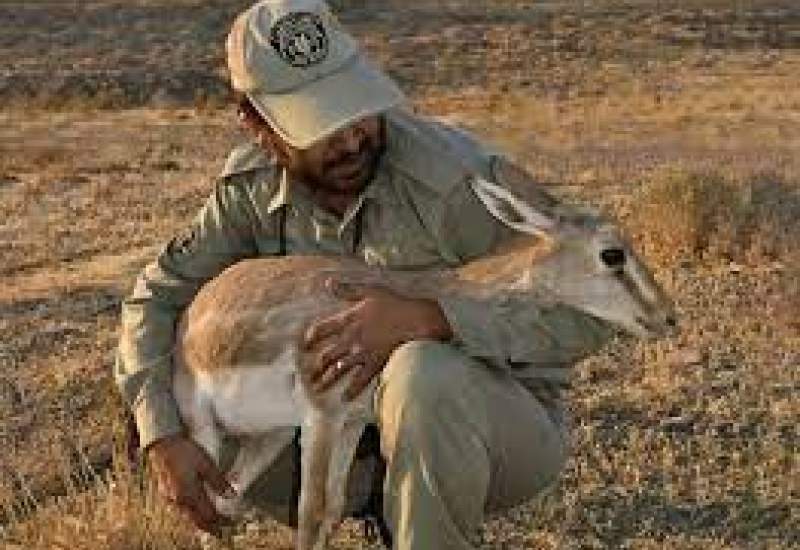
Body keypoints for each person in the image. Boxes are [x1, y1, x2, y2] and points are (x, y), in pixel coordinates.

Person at [114, 1, 614, 548]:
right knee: (185, 377)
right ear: (257, 126)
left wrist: (433, 319)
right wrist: (160, 435)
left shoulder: (454, 177)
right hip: (340, 437)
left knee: (422, 370)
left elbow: (589, 307)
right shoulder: (248, 192)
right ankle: (389, 504)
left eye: (357, 112)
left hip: (498, 423)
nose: (352, 141)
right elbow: (155, 300)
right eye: (320, 127)